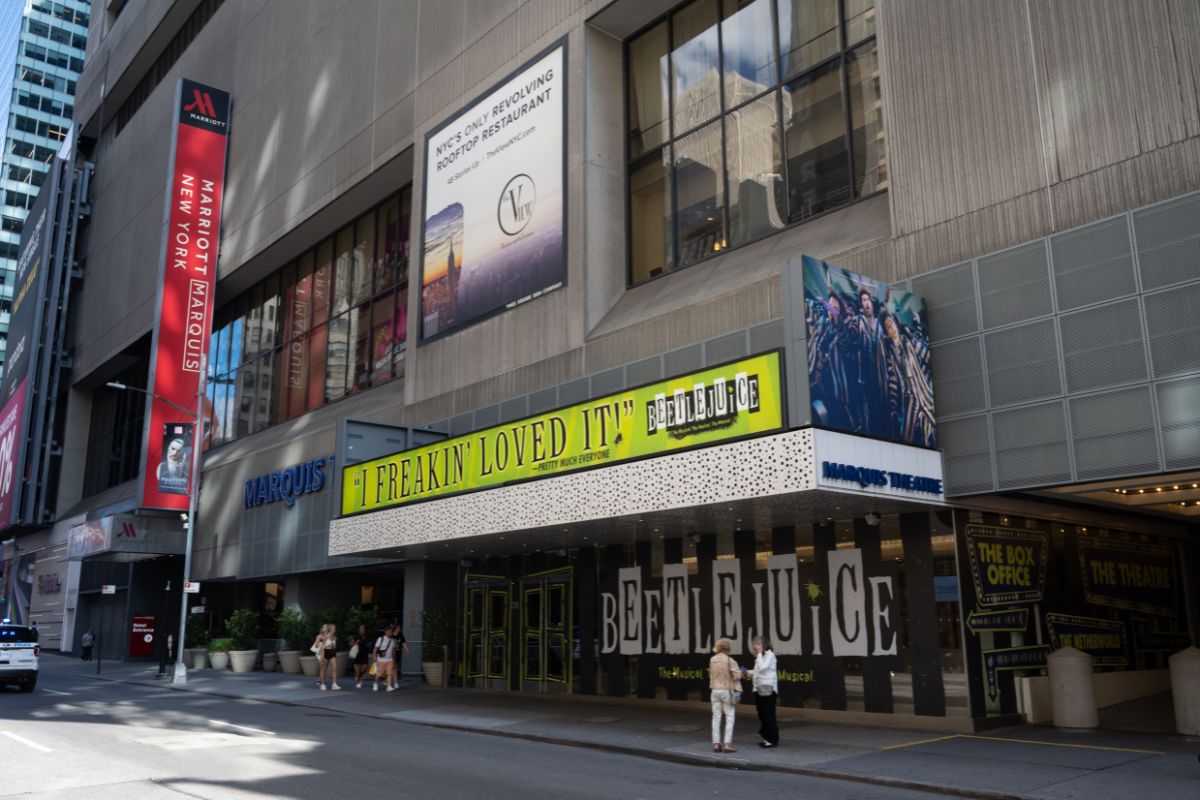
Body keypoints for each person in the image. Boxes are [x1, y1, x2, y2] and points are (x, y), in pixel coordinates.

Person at [708, 637, 742, 753]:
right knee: (730, 716)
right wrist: (740, 673)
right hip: (726, 691)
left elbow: (711, 675)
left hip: (714, 691)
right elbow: (737, 676)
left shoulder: (712, 659)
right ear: (728, 647)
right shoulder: (730, 660)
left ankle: (716, 744)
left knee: (716, 717)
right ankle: (727, 744)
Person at [745, 634, 779, 748]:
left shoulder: (770, 655)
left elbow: (763, 668)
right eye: (755, 644)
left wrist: (759, 653)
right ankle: (766, 738)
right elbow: (757, 671)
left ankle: (772, 740)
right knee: (762, 715)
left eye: (758, 644)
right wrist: (746, 671)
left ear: (764, 645)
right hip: (759, 689)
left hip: (768, 690)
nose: (755, 646)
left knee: (768, 715)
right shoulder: (761, 656)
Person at [313, 623, 341, 690]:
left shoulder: (334, 636)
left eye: (335, 629)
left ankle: (334, 684)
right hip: (324, 653)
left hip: (332, 652)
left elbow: (334, 645)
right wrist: (322, 655)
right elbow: (320, 646)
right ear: (330, 629)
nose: (334, 630)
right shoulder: (323, 636)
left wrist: (333, 647)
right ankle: (322, 684)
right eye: (333, 628)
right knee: (323, 669)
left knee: (334, 668)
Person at [372, 625, 399, 692]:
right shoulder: (380, 639)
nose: (390, 633)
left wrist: (394, 659)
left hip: (390, 660)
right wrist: (374, 656)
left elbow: (393, 651)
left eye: (391, 631)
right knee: (379, 674)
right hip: (381, 660)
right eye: (388, 631)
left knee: (389, 673)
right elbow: (375, 648)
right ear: (385, 632)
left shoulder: (392, 640)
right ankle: (375, 683)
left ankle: (388, 686)